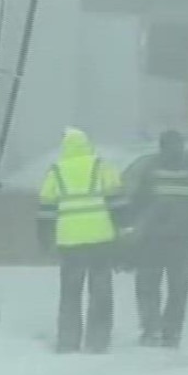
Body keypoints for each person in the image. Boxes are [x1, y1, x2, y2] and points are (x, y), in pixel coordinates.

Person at [126, 130, 188, 348]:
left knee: (149, 287)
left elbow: (138, 199)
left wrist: (132, 223)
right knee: (177, 289)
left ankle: (151, 330)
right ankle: (171, 333)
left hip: (154, 238)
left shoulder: (152, 168)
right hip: (180, 237)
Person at [36, 127, 125, 354]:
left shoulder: (56, 171)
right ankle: (98, 341)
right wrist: (122, 228)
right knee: (101, 290)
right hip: (100, 238)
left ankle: (68, 341)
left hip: (70, 242)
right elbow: (117, 200)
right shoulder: (100, 166)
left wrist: (44, 238)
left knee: (70, 292)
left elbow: (46, 208)